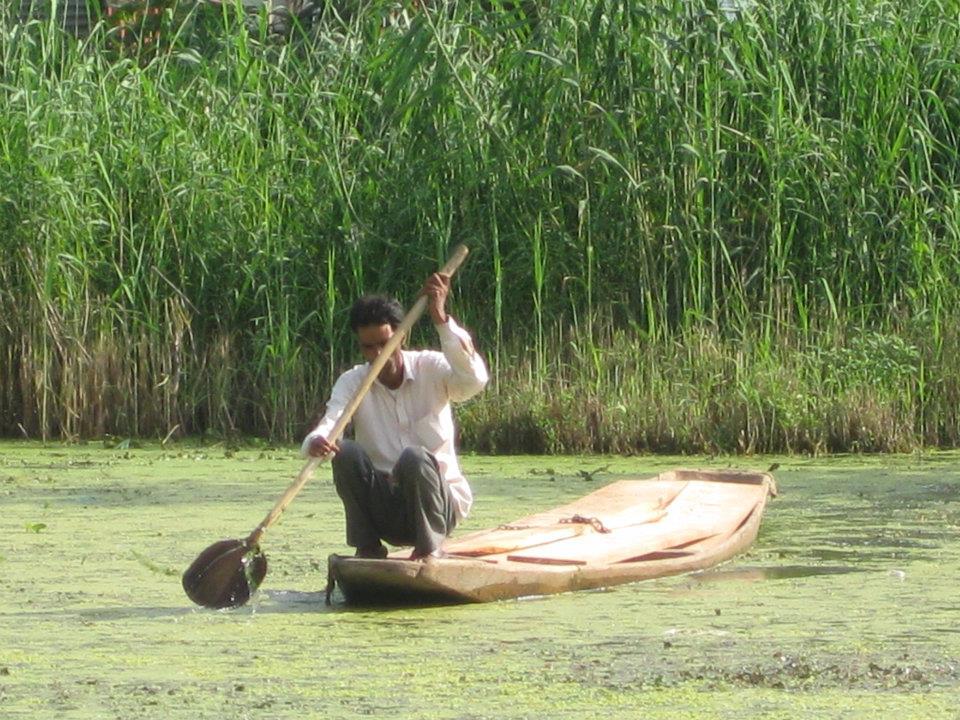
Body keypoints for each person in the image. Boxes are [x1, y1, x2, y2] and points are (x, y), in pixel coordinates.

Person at [301, 271, 488, 560]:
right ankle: (368, 548)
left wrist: (440, 318)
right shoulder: (353, 382)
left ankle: (428, 551)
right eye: (368, 347)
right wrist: (317, 441)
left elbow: (474, 381)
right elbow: (330, 423)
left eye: (384, 344)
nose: (377, 354)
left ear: (401, 337)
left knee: (414, 457)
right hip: (386, 511)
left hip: (438, 506)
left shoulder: (431, 368)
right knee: (345, 452)